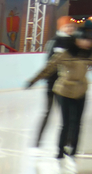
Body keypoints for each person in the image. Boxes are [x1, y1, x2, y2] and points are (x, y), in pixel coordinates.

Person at [26, 29, 92, 162]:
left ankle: (73, 149)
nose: (88, 43)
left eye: (90, 40)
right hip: (64, 90)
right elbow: (48, 69)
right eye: (85, 40)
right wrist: (33, 80)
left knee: (78, 122)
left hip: (81, 91)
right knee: (66, 123)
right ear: (77, 40)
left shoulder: (89, 56)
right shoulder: (64, 54)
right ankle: (60, 150)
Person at [34, 16, 79, 148]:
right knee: (48, 112)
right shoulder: (54, 41)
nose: (70, 29)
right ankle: (37, 141)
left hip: (67, 85)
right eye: (67, 26)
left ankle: (67, 142)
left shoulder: (75, 43)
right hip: (53, 83)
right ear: (61, 27)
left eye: (72, 26)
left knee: (68, 115)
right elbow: (50, 63)